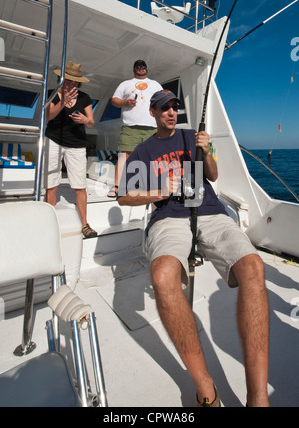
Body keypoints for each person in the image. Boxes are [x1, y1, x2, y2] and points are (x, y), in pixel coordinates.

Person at [118, 90, 270, 407]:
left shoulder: (193, 137)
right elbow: (124, 196)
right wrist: (160, 189)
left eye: (175, 106)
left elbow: (212, 175)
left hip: (210, 212)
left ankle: (257, 398)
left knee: (253, 266)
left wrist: (206, 152)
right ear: (153, 111)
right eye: (164, 107)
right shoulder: (143, 151)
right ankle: (205, 389)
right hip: (168, 217)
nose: (171, 112)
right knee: (162, 277)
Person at [44, 60, 97, 239]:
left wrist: (84, 120)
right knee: (52, 183)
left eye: (75, 80)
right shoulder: (52, 94)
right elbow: (49, 116)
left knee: (80, 186)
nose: (72, 83)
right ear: (62, 78)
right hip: (54, 141)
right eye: (69, 79)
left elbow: (91, 122)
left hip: (77, 144)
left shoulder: (85, 98)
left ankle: (84, 224)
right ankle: (49, 222)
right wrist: (63, 102)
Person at [107, 60, 163, 197]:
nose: (141, 68)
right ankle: (117, 187)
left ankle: (154, 186)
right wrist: (125, 102)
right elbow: (114, 100)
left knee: (153, 157)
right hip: (130, 127)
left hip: (152, 127)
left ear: (147, 69)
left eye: (143, 66)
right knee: (124, 156)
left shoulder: (155, 84)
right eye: (138, 66)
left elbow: (163, 100)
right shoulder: (125, 84)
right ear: (134, 69)